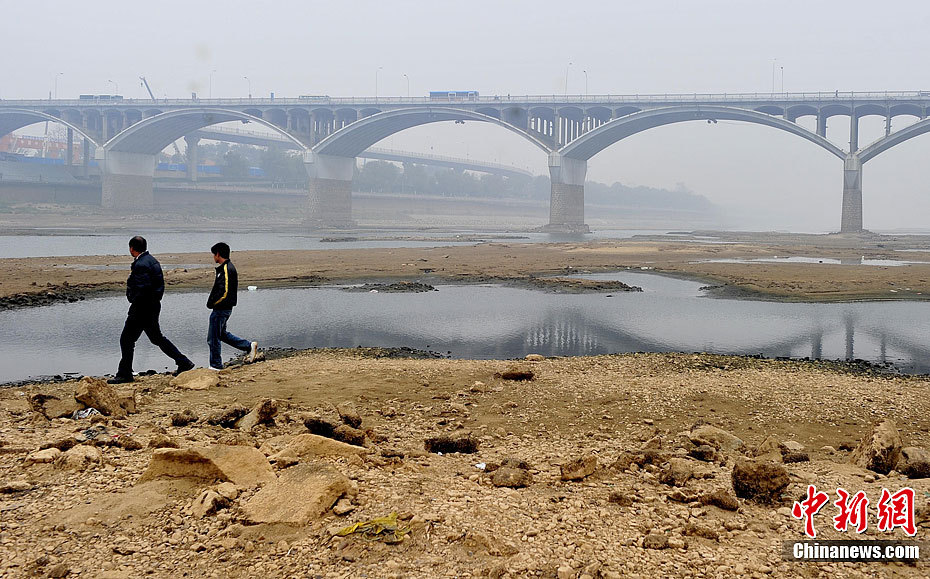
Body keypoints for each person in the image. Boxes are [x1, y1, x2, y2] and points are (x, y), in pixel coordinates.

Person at [109, 236, 194, 384]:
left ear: (131, 248)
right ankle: (183, 361)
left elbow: (142, 289)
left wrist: (133, 299)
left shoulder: (141, 264)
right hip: (152, 306)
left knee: (127, 339)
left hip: (142, 308)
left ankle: (125, 374)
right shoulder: (152, 261)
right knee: (156, 338)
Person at [207, 242, 258, 370]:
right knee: (222, 334)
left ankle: (215, 365)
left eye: (214, 254)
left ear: (218, 254)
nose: (213, 257)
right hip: (223, 307)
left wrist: (214, 303)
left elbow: (225, 291)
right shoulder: (225, 268)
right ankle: (248, 346)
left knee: (213, 338)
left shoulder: (226, 269)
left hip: (222, 308)